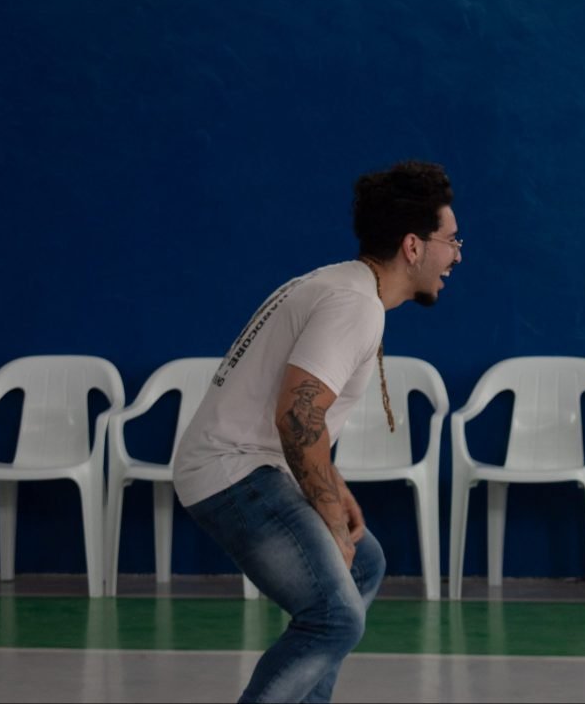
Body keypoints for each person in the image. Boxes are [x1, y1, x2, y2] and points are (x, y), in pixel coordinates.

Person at [172, 159, 462, 703]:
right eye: (451, 239)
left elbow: (300, 418)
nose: (457, 255)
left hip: (244, 465)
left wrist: (335, 490)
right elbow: (296, 417)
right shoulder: (355, 304)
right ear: (413, 246)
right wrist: (327, 513)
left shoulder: (341, 283)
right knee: (333, 617)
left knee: (364, 562)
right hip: (233, 473)